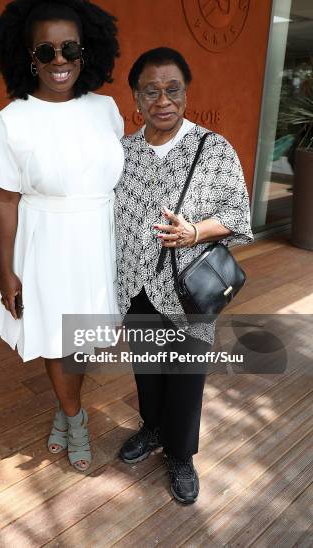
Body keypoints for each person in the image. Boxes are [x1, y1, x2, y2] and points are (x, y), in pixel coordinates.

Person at [0, 0, 124, 472]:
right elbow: (3, 202)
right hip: (46, 242)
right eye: (46, 50)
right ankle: (75, 417)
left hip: (97, 240)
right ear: (29, 56)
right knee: (56, 339)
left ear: (88, 51)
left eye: (70, 48)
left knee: (79, 340)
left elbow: (113, 181)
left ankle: (65, 414)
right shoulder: (11, 121)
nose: (59, 59)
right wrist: (7, 273)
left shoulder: (105, 109)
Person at [115, 47, 253, 503]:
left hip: (189, 290)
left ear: (186, 93)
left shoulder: (213, 148)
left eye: (172, 89)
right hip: (135, 282)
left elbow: (238, 215)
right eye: (150, 91)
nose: (163, 100)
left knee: (186, 376)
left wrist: (195, 231)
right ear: (135, 98)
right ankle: (152, 429)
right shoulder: (123, 153)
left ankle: (180, 454)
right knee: (147, 371)